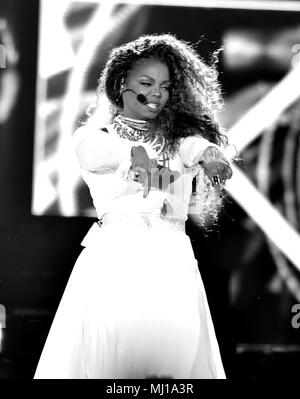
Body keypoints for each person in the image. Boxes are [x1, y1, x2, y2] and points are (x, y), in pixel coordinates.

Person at [34, 33, 232, 379]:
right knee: (116, 365)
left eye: (166, 86)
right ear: (121, 82)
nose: (157, 93)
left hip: (172, 263)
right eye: (146, 82)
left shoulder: (180, 141)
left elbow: (194, 148)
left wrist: (211, 154)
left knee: (172, 367)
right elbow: (104, 154)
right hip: (117, 260)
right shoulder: (95, 138)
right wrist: (133, 156)